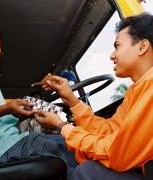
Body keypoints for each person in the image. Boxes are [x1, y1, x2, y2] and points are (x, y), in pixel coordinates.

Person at [35, 13, 153, 179]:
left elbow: (118, 154)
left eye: (117, 46)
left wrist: (63, 127)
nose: (112, 55)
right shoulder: (137, 89)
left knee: (87, 172)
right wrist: (72, 100)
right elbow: (109, 130)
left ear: (142, 47)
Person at [0, 24, 77, 179]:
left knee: (65, 140)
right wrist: (8, 108)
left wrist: (24, 108)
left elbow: (0, 115)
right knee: (67, 145)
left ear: (1, 50)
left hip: (6, 140)